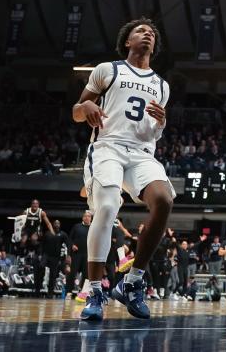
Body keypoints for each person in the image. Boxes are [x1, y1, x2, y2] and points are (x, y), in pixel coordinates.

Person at [72, 18, 176, 322]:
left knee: (165, 201)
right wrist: (87, 107)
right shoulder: (108, 69)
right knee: (106, 207)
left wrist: (162, 122)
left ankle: (132, 283)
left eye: (152, 33)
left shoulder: (162, 85)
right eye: (140, 31)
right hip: (108, 147)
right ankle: (94, 290)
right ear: (127, 41)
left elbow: (153, 133)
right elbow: (76, 112)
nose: (148, 34)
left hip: (142, 153)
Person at [37, 220, 67, 297]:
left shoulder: (63, 234)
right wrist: (40, 254)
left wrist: (64, 257)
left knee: (53, 275)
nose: (57, 224)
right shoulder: (47, 233)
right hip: (46, 255)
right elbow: (42, 244)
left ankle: (50, 293)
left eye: (58, 223)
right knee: (41, 267)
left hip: (56, 257)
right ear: (53, 224)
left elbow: (67, 244)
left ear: (60, 225)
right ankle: (38, 289)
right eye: (55, 223)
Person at [69, 211, 91, 295]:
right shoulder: (77, 227)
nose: (87, 218)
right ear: (83, 218)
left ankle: (83, 292)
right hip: (76, 254)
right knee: (72, 273)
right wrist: (72, 245)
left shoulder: (93, 227)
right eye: (85, 216)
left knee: (86, 275)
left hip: (87, 255)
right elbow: (70, 239)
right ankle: (69, 292)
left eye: (88, 216)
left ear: (91, 218)